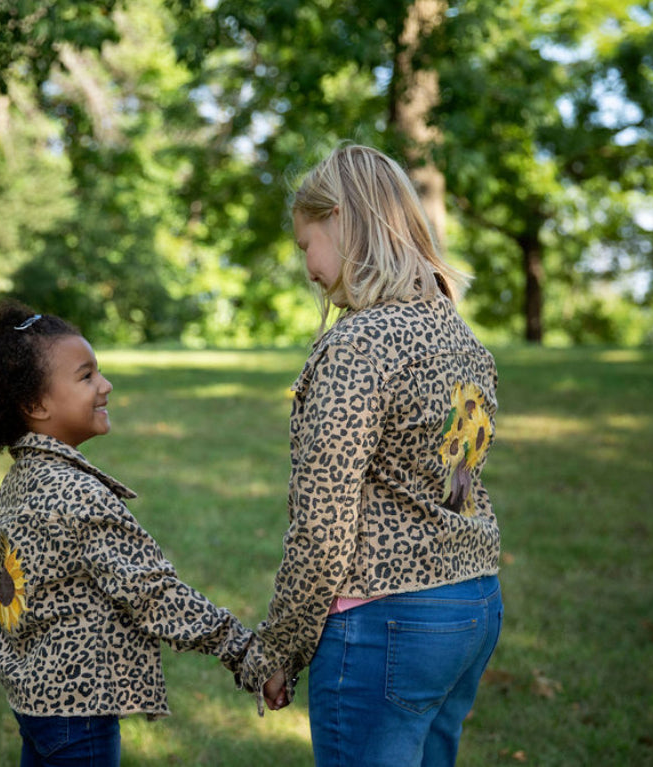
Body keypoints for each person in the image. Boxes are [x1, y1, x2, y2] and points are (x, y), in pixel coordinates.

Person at [237, 144, 504, 767]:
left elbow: (323, 528)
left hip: (386, 620)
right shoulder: (461, 338)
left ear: (342, 221)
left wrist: (278, 647)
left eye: (307, 246)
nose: (307, 269)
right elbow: (458, 481)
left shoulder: (359, 346)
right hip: (472, 605)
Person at [0, 301, 252, 767]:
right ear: (36, 405)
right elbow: (151, 591)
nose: (106, 385)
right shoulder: (76, 494)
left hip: (37, 702)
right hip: (79, 712)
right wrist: (240, 648)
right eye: (86, 376)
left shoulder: (21, 479)